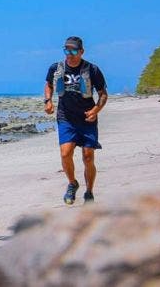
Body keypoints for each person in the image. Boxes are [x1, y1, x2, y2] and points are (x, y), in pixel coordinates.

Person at [44, 36, 108, 205]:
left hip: (87, 118)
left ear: (81, 51)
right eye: (66, 50)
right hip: (66, 117)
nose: (69, 54)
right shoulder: (56, 68)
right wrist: (48, 101)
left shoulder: (92, 70)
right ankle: (72, 183)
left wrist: (96, 110)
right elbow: (49, 84)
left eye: (73, 51)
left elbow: (103, 94)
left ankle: (89, 192)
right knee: (65, 153)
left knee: (88, 157)